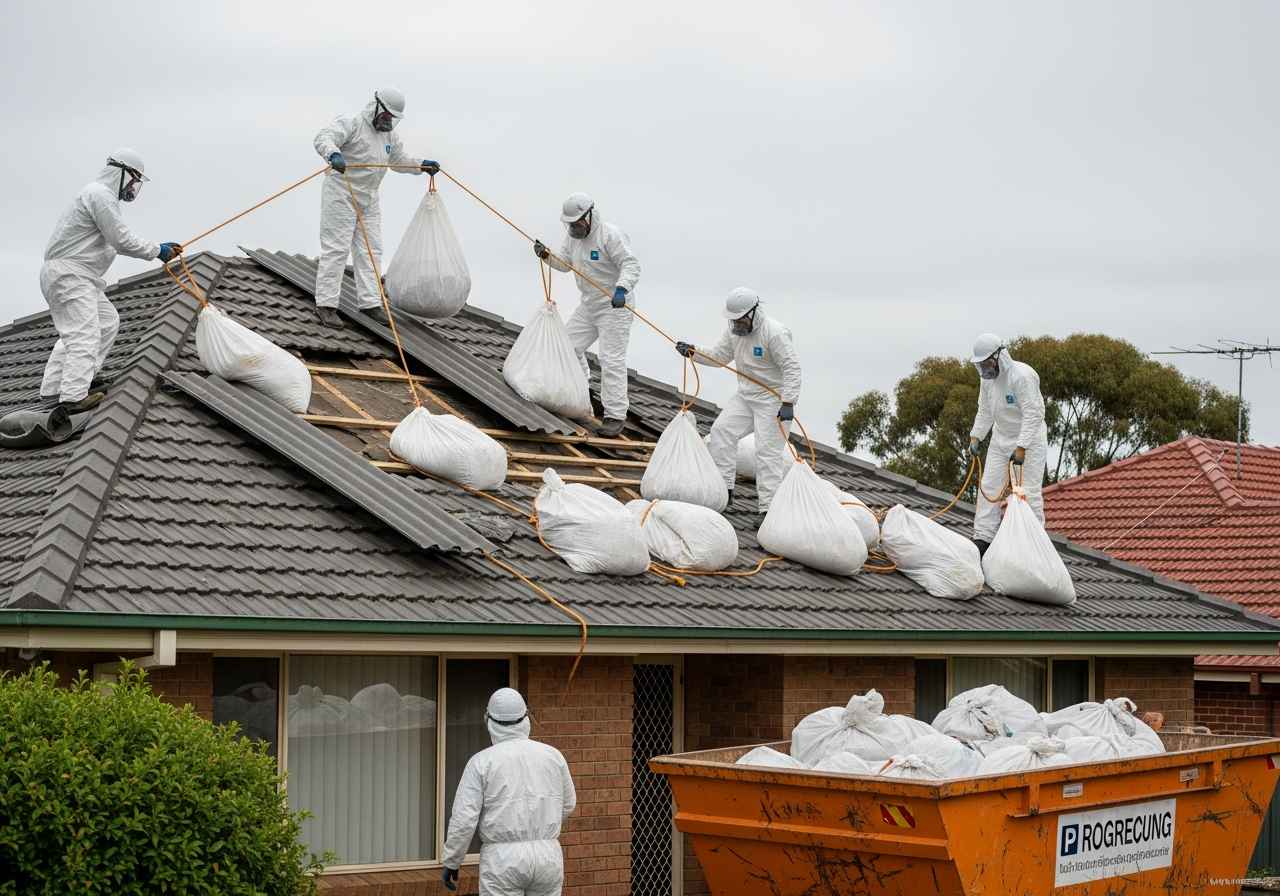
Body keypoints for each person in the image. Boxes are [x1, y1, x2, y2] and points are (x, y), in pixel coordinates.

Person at [38, 149, 180, 414]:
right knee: (84, 333)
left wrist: (156, 248)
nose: (133, 187)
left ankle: (55, 389)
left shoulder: (98, 196)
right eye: (133, 179)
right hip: (71, 275)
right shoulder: (100, 195)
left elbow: (112, 240)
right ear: (121, 172)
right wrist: (157, 250)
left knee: (105, 321)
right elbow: (121, 240)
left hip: (78, 276)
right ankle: (71, 397)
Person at [312, 87, 439, 330]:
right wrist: (333, 154)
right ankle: (326, 305)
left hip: (370, 199)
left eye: (392, 119)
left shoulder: (388, 136)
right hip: (342, 193)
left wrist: (421, 165)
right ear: (377, 107)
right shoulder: (352, 122)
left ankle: (370, 304)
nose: (388, 121)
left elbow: (398, 159)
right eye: (386, 116)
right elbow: (324, 137)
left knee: (372, 251)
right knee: (337, 249)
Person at [675, 288, 802, 528]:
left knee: (767, 452)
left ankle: (768, 510)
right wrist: (693, 351)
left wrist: (788, 402)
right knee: (722, 430)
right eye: (733, 320)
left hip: (773, 399)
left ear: (755, 312)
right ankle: (724, 492)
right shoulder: (734, 332)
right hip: (746, 395)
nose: (736, 323)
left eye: (741, 319)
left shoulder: (774, 333)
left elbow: (792, 368)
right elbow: (719, 355)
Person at [441, 688, 576, 896]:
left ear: (489, 721)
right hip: (547, 856)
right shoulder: (553, 756)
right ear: (526, 717)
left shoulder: (481, 762)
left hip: (502, 860)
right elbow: (568, 804)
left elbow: (464, 819)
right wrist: (541, 824)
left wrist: (452, 860)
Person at [533, 192, 640, 437]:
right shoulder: (573, 238)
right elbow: (565, 264)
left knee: (610, 359)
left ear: (590, 215)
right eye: (570, 224)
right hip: (589, 305)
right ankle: (582, 390)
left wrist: (622, 288)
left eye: (577, 222)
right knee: (566, 346)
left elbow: (631, 264)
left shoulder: (610, 235)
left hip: (615, 307)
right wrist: (547, 256)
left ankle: (614, 415)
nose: (573, 227)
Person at [968, 333, 1048, 554]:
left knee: (1026, 491)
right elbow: (985, 409)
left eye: (988, 362)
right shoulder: (987, 379)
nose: (986, 367)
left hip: (1028, 439)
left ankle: (1034, 541)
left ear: (1000, 355)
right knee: (988, 487)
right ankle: (984, 536)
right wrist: (977, 436)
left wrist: (1021, 447)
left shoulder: (1021, 377)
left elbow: (1034, 414)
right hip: (1000, 437)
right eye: (982, 364)